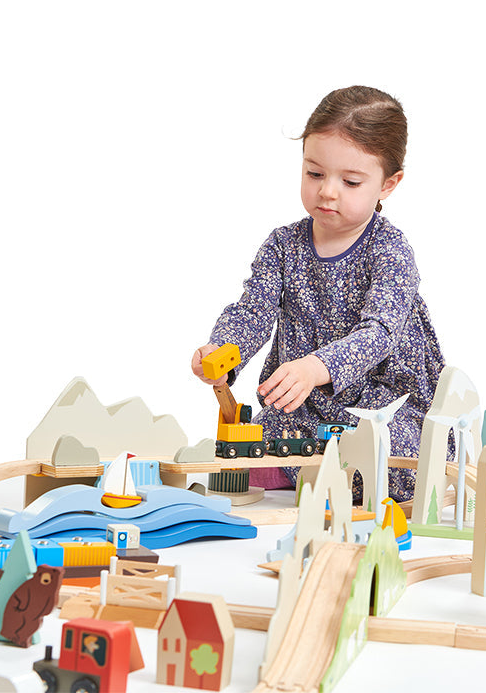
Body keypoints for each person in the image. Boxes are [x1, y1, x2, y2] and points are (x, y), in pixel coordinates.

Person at [190, 85, 448, 502]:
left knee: (392, 455)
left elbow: (380, 333)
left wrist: (316, 366)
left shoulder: (390, 250)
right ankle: (293, 469)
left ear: (388, 184)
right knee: (259, 437)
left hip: (382, 403)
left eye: (351, 181)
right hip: (303, 405)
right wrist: (223, 351)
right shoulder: (282, 245)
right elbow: (253, 310)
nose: (328, 191)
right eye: (314, 174)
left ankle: (321, 474)